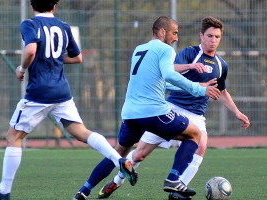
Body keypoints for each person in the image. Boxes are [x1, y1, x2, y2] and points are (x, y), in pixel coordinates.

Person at [0, 1, 136, 199]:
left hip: (39, 93)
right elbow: (77, 58)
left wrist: (22, 68)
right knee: (81, 132)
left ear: (32, 5)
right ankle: (118, 160)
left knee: (13, 137)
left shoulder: (30, 24)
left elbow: (30, 51)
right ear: (54, 6)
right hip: (62, 92)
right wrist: (53, 59)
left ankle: (4, 190)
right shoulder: (64, 26)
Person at [98, 16, 250, 200]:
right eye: (210, 36)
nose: (213, 40)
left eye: (217, 37)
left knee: (201, 145)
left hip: (196, 115)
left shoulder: (221, 65)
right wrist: (191, 66)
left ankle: (177, 191)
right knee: (140, 154)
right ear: (201, 36)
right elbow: (168, 69)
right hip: (173, 108)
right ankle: (117, 180)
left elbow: (222, 91)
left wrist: (237, 112)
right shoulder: (190, 53)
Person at [73, 16, 221, 200]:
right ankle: (174, 179)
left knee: (116, 154)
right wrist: (198, 88)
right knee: (195, 134)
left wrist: (199, 90)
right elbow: (170, 75)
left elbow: (161, 84)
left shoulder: (139, 49)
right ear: (162, 32)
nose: (176, 38)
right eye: (174, 33)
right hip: (153, 113)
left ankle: (84, 191)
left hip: (130, 114)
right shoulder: (165, 49)